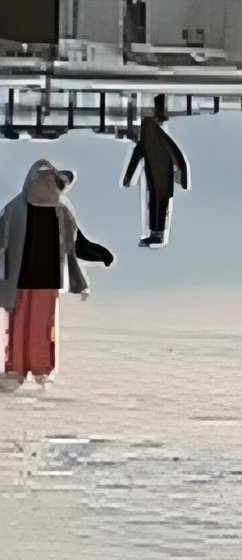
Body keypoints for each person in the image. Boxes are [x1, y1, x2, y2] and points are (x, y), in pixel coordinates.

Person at [0, 161, 113, 390]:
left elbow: (76, 244)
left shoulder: (54, 211)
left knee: (32, 326)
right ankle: (23, 370)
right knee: (30, 326)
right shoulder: (20, 210)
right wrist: (100, 254)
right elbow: (78, 244)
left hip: (39, 280)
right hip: (26, 281)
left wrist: (100, 254)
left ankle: (30, 370)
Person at [123, 95, 190, 247]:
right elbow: (176, 154)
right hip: (157, 176)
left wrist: (128, 177)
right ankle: (156, 233)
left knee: (157, 203)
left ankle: (157, 234)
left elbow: (138, 155)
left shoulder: (152, 136)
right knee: (157, 203)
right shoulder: (154, 136)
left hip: (159, 176)